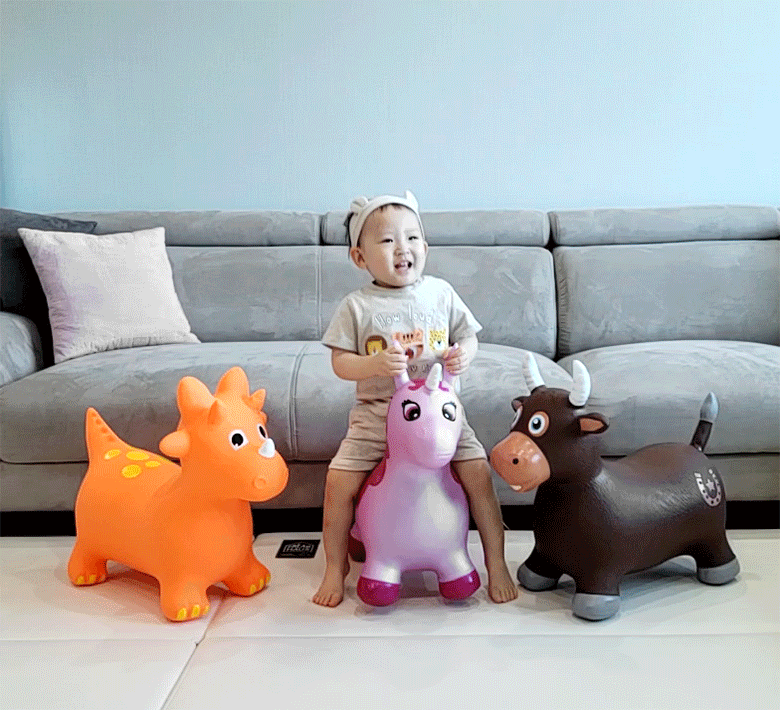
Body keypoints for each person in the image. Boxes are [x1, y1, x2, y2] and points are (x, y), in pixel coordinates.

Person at [312, 190, 518, 607]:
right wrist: (373, 365)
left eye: (411, 238)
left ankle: (497, 564)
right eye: (387, 240)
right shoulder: (357, 305)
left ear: (425, 246)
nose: (402, 248)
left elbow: (469, 336)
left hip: (442, 416)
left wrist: (464, 354)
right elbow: (340, 363)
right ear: (359, 257)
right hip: (377, 415)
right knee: (337, 482)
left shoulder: (441, 292)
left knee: (478, 475)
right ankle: (335, 568)